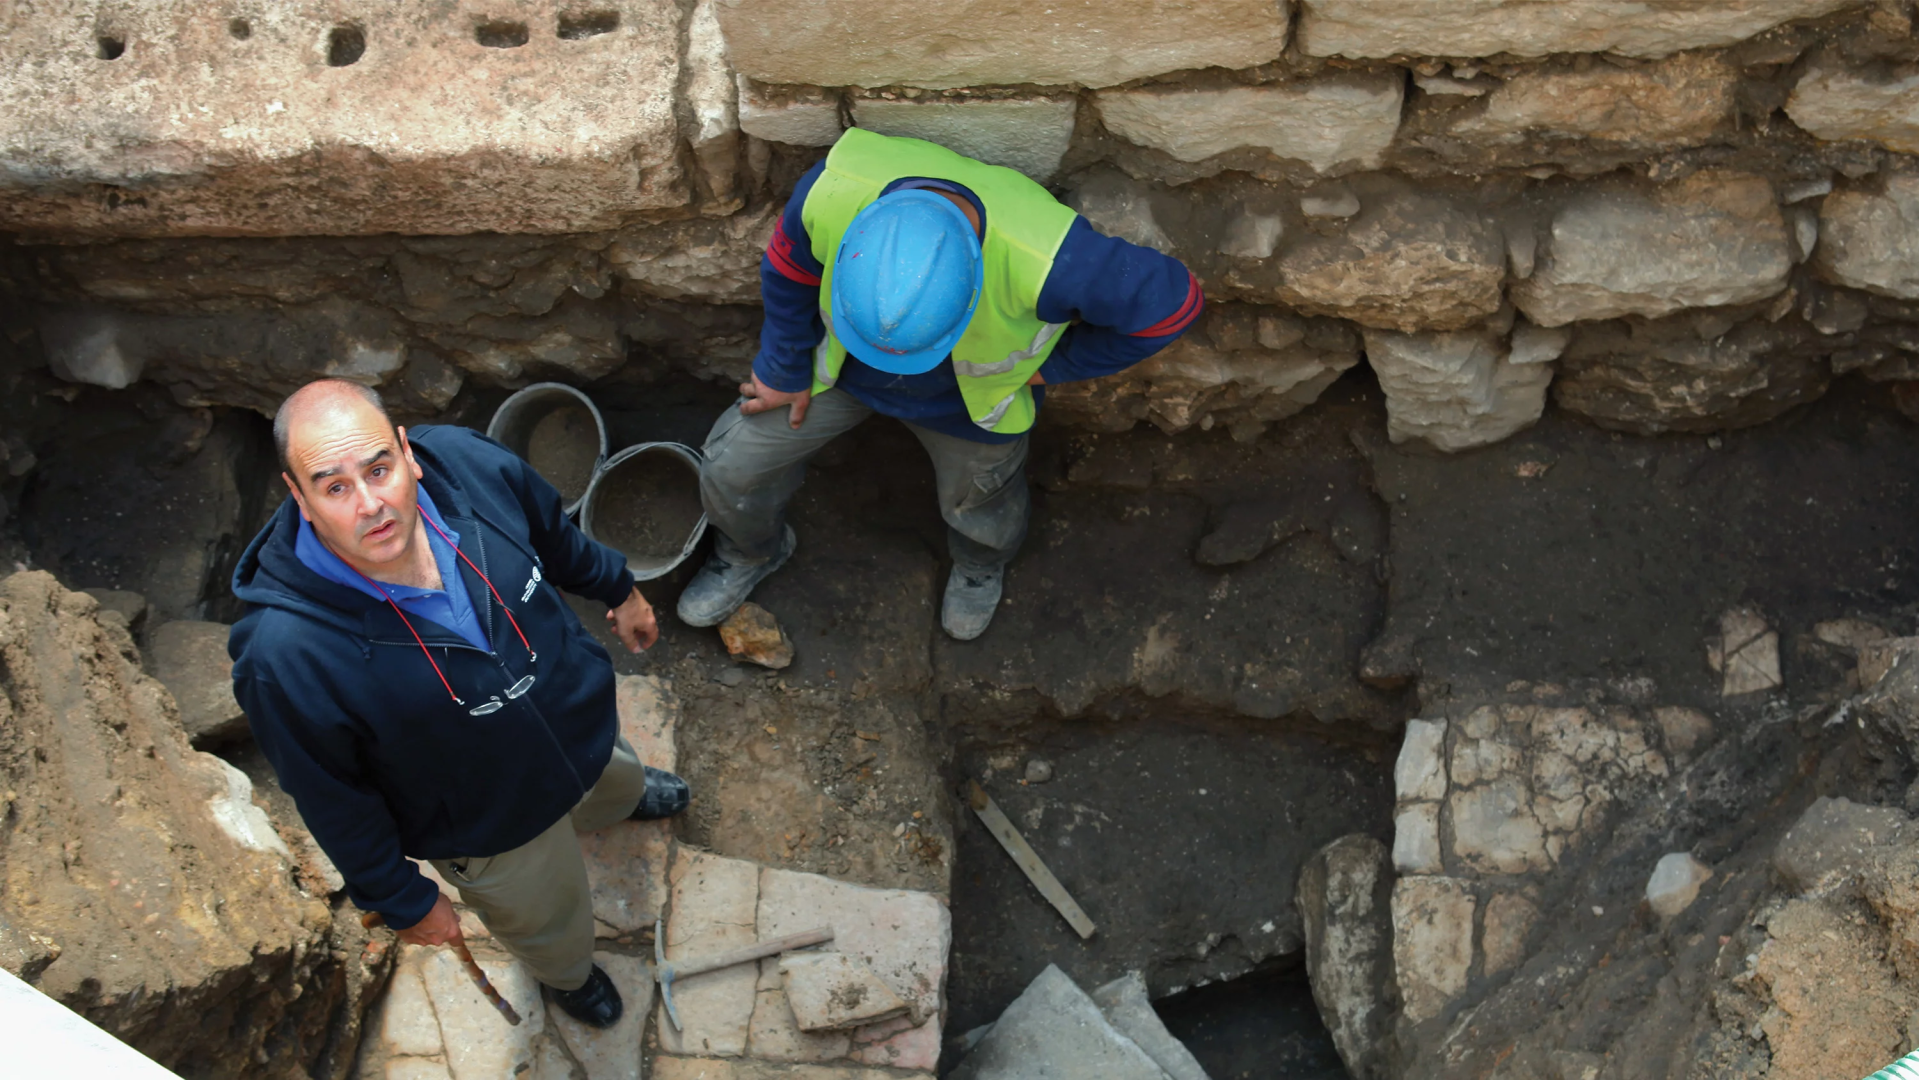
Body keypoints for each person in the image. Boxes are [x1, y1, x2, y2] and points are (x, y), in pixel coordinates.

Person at [228, 379, 683, 1029]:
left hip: (572, 721)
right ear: (298, 497)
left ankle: (621, 798)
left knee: (612, 776)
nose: (370, 505)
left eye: (379, 469)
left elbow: (555, 539)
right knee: (545, 917)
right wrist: (401, 899)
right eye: (333, 487)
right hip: (487, 823)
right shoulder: (284, 655)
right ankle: (567, 975)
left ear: (407, 452)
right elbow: (331, 794)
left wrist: (620, 588)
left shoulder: (472, 467)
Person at [677, 128, 1204, 641]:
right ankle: (750, 549)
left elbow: (1173, 306)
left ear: (971, 285)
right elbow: (788, 268)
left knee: (980, 506)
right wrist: (781, 367)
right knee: (734, 465)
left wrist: (1054, 366)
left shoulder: (1053, 260)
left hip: (966, 403)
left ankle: (980, 564)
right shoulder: (835, 190)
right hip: (838, 370)